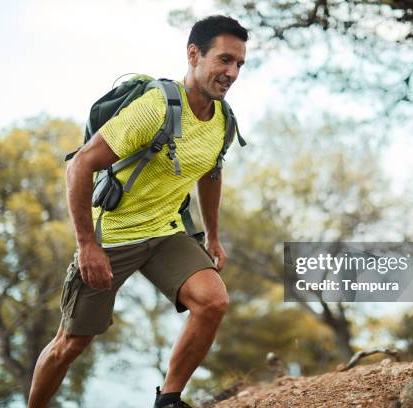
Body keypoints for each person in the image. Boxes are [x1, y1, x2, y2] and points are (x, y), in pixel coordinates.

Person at [27, 15, 248, 408]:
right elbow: (80, 165)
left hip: (164, 233)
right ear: (193, 55)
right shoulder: (154, 109)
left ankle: (169, 399)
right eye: (224, 60)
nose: (232, 73)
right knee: (71, 343)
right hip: (112, 235)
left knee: (212, 301)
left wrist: (212, 236)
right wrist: (87, 245)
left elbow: (210, 174)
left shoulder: (222, 121)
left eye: (239, 65)